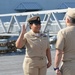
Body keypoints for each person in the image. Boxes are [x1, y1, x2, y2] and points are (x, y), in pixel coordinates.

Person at [54, 8, 75, 75]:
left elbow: (59, 52)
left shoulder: (63, 32)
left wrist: (56, 67)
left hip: (69, 66)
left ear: (68, 20)